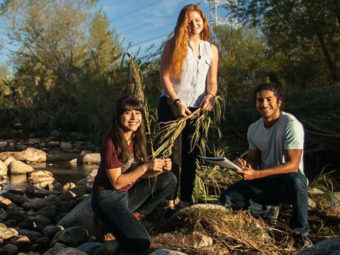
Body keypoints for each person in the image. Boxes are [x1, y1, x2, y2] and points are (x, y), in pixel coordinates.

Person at [220, 83, 311, 248]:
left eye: (269, 99)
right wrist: (242, 165)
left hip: (287, 183)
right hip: (265, 183)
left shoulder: (291, 125)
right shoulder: (253, 128)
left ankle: (301, 233)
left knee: (297, 181)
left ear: (279, 102)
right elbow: (253, 160)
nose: (264, 104)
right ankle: (267, 211)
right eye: (260, 100)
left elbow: (292, 165)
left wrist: (256, 174)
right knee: (227, 199)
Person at [91, 96, 177, 253]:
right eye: (128, 113)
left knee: (168, 179)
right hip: (107, 198)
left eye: (137, 113)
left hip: (127, 195)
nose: (134, 118)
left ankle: (136, 215)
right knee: (141, 243)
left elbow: (139, 175)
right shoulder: (111, 143)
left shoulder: (136, 139)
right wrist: (145, 167)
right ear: (118, 116)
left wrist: (158, 169)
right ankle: (105, 222)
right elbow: (117, 182)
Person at [158, 4, 219, 210]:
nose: (194, 24)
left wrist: (210, 96)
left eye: (197, 19)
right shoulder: (172, 45)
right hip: (172, 104)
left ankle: (185, 200)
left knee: (192, 154)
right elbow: (164, 77)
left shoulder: (211, 49)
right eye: (189, 21)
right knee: (172, 156)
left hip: (197, 109)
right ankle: (169, 202)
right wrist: (176, 101)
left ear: (203, 21)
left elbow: (212, 82)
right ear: (183, 24)